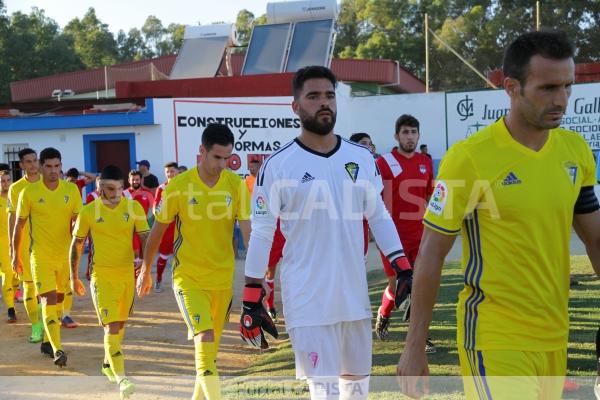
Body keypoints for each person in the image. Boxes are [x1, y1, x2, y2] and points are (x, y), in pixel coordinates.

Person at [397, 30, 600, 399]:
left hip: (554, 336)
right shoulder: (469, 158)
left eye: (568, 86)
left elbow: (596, 239)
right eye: (548, 88)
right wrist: (414, 345)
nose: (561, 99)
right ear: (511, 87)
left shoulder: (576, 151)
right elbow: (430, 253)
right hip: (494, 336)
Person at [241, 66, 409, 400]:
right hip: (308, 303)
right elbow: (261, 233)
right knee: (327, 394)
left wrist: (402, 266)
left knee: (356, 393)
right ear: (296, 106)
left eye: (329, 96)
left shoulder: (360, 157)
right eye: (313, 96)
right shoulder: (277, 165)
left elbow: (379, 215)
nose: (324, 103)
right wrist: (251, 296)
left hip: (354, 299)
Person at [137, 123, 251, 400]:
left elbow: (248, 232)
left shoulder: (236, 185)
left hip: (223, 279)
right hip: (188, 278)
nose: (223, 164)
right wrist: (146, 271)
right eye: (217, 157)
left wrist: (257, 277)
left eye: (227, 158)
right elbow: (157, 232)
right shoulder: (178, 186)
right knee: (204, 338)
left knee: (209, 356)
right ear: (202, 151)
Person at [70, 165, 149, 400]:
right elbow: (76, 245)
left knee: (120, 326)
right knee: (111, 326)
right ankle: (122, 378)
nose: (112, 194)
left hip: (126, 276)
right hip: (101, 277)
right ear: (99, 187)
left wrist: (146, 269)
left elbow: (145, 237)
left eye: (116, 189)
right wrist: (73, 277)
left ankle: (107, 364)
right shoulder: (88, 211)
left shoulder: (133, 207)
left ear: (122, 187)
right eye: (106, 188)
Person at [12, 147, 82, 367]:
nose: (53, 171)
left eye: (57, 166)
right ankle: (58, 349)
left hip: (64, 256)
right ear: (41, 167)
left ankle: (47, 339)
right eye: (49, 166)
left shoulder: (71, 190)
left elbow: (79, 221)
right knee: (48, 299)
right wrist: (15, 255)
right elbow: (19, 226)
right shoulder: (28, 193)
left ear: (61, 166)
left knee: (59, 301)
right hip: (40, 256)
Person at [374, 115, 434, 352]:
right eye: (405, 132)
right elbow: (374, 198)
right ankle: (384, 311)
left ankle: (420, 336)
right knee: (396, 284)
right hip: (391, 239)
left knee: (419, 286)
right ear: (396, 136)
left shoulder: (425, 162)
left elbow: (430, 196)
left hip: (420, 235)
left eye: (413, 132)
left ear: (419, 135)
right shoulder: (384, 162)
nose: (410, 137)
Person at [7, 148, 43, 342]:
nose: (32, 165)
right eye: (28, 162)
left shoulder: (49, 185)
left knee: (48, 291)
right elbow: (12, 219)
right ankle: (36, 326)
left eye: (35, 160)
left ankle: (48, 322)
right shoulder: (16, 189)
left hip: (47, 246)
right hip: (25, 245)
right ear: (21, 165)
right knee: (29, 289)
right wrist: (13, 250)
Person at [153, 162, 179, 293]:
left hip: (182, 227)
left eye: (172, 171)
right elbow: (156, 207)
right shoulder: (162, 188)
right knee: (163, 255)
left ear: (178, 172)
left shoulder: (185, 187)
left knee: (181, 256)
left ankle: (178, 281)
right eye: (168, 172)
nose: (170, 174)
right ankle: (158, 280)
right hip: (168, 227)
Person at [0, 170, 17, 322]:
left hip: (19, 240)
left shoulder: (16, 198)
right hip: (2, 243)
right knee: (7, 274)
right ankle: (10, 308)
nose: (5, 183)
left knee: (18, 275)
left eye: (7, 180)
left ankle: (14, 296)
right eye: (2, 181)